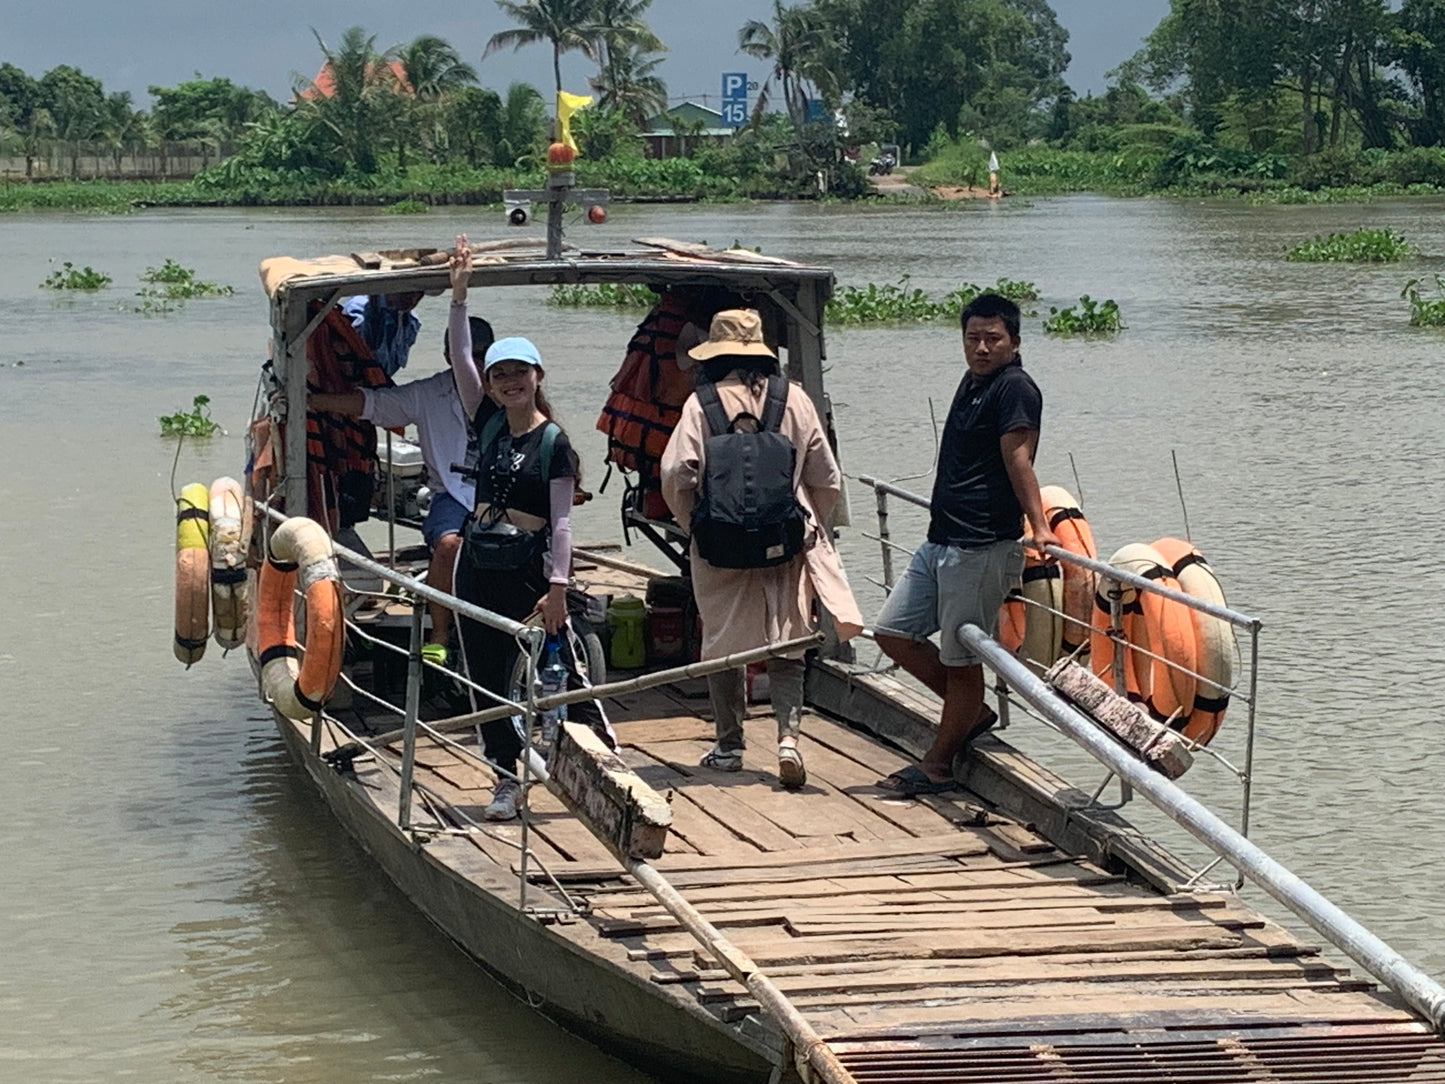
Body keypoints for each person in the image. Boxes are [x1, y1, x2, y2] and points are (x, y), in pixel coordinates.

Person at [661, 309, 862, 791]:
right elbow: (826, 478)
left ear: (714, 356)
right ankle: (788, 739)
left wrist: (696, 525)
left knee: (724, 642)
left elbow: (676, 475)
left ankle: (729, 746)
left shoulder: (700, 404)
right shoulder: (794, 399)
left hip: (719, 543)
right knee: (788, 636)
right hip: (785, 540)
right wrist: (806, 521)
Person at [447, 240, 612, 822]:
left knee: (558, 670)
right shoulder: (489, 421)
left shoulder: (553, 442)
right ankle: (503, 778)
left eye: (520, 373)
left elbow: (563, 522)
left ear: (537, 377)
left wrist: (559, 588)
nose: (509, 382)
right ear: (490, 386)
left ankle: (594, 766)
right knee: (487, 670)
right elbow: (462, 359)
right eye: (501, 375)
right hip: (477, 561)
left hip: (528, 567)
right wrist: (459, 297)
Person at [875, 293, 1059, 796]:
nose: (981, 348)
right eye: (973, 338)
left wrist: (1038, 525)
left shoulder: (1015, 388)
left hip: (981, 543)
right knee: (892, 632)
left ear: (1015, 342)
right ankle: (971, 712)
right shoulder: (975, 380)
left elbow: (1019, 458)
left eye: (993, 339)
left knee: (962, 658)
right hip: (942, 538)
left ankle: (938, 762)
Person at [309, 306, 494, 666]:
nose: (478, 364)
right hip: (453, 493)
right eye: (470, 356)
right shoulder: (430, 394)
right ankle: (439, 634)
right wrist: (314, 401)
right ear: (450, 357)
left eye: (484, 356)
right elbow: (373, 404)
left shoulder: (510, 389)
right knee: (448, 544)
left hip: (501, 493)